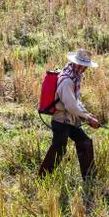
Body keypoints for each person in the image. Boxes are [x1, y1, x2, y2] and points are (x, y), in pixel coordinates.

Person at [38, 48, 100, 180]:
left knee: (85, 143)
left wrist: (87, 115)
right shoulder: (67, 81)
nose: (85, 69)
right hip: (61, 121)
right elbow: (71, 106)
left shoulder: (74, 78)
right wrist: (87, 117)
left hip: (70, 120)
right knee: (59, 148)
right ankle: (42, 178)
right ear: (78, 65)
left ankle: (90, 178)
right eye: (84, 66)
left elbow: (75, 102)